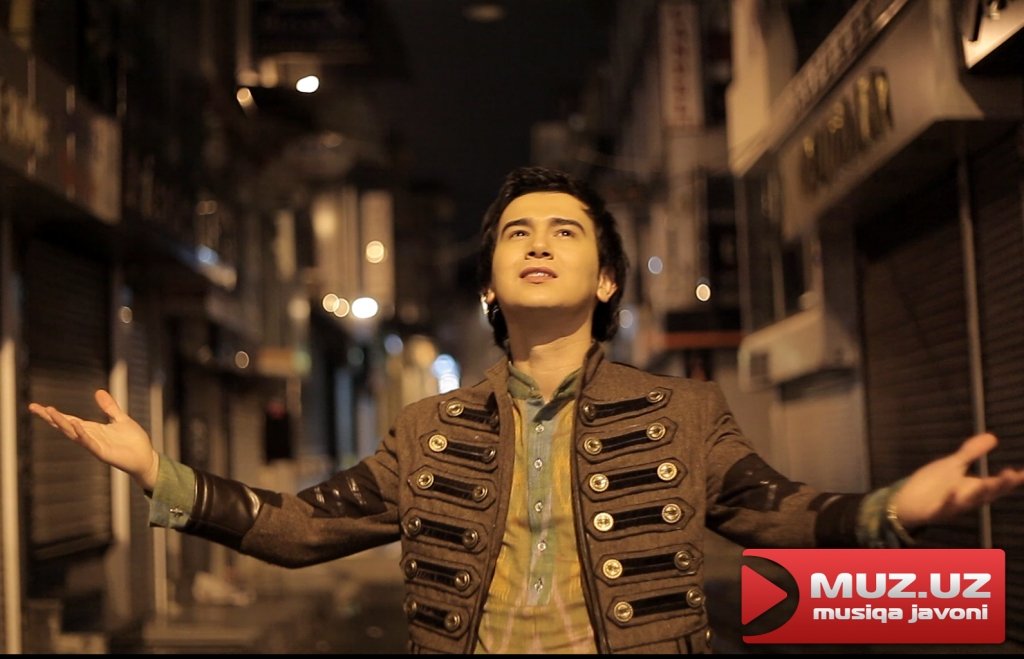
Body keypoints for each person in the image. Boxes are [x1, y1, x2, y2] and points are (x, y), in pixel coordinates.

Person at [28, 166, 1024, 653]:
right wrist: (157, 471)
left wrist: (895, 508)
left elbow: (782, 512)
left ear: (606, 279)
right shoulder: (427, 429)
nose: (537, 242)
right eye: (516, 232)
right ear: (490, 288)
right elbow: (298, 527)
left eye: (564, 230)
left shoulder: (685, 410)